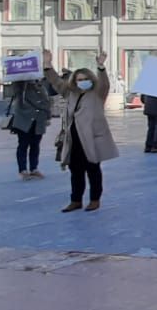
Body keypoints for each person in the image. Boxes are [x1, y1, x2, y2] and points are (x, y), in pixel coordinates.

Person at [43, 52, 117, 213]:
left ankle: (94, 199)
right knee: (75, 171)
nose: (82, 82)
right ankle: (75, 200)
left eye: (85, 79)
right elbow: (56, 82)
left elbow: (104, 84)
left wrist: (101, 66)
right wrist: (48, 65)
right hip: (74, 138)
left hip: (92, 138)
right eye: (79, 79)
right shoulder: (71, 93)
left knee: (93, 169)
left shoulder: (97, 93)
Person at [4, 77, 51, 180]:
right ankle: (23, 170)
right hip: (24, 120)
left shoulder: (41, 85)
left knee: (35, 145)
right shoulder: (21, 85)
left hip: (38, 120)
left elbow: (46, 102)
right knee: (23, 144)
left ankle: (34, 168)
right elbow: (16, 91)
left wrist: (48, 116)